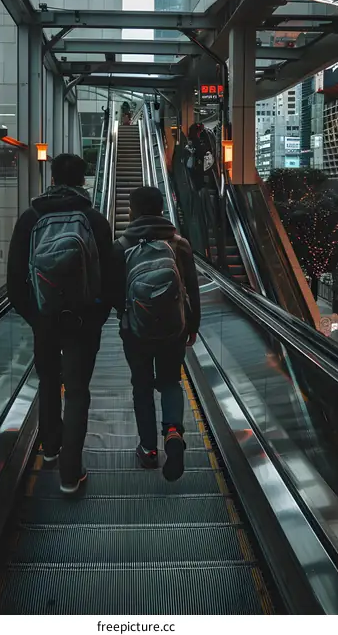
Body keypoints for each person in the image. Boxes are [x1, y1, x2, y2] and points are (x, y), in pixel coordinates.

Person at [7, 153, 114, 494]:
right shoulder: (95, 220)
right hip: (83, 322)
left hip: (46, 321)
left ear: (52, 177)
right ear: (84, 180)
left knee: (50, 382)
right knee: (78, 390)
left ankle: (50, 448)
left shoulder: (30, 218)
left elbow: (14, 282)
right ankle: (70, 473)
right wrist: (96, 316)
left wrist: (37, 318)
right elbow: (108, 281)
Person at [113, 186, 201, 482]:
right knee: (171, 381)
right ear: (162, 209)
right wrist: (193, 326)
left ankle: (148, 449)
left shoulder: (121, 245)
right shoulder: (179, 244)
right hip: (173, 329)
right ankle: (173, 431)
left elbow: (113, 293)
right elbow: (192, 288)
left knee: (142, 386)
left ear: (132, 211)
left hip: (135, 331)